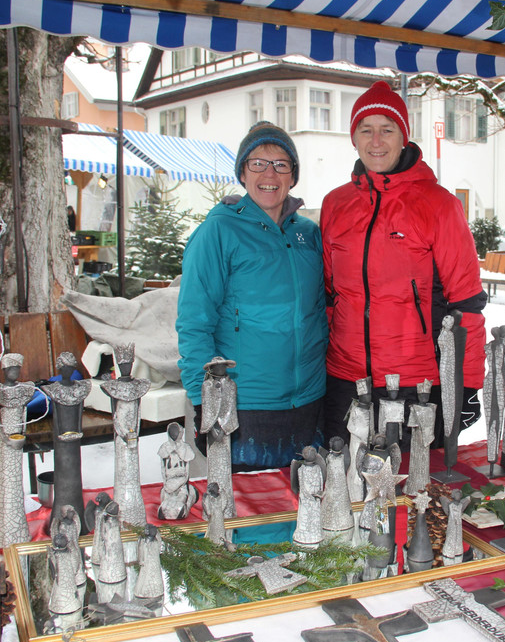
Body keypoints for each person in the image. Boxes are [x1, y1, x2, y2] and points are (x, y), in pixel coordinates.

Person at [321, 80, 486, 447]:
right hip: (345, 381)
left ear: (404, 137)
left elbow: (467, 305)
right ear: (354, 138)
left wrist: (467, 384)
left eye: (387, 129)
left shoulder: (439, 205)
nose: (376, 140)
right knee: (343, 479)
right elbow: (330, 297)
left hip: (416, 384)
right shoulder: (335, 204)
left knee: (414, 481)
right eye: (366, 129)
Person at [176, 121, 327, 470]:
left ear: (293, 176)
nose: (269, 173)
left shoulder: (308, 233)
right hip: (246, 404)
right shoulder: (217, 232)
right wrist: (204, 400)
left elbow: (320, 311)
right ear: (242, 173)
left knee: (307, 501)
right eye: (257, 163)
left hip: (309, 401)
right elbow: (194, 323)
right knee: (249, 502)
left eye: (281, 164)